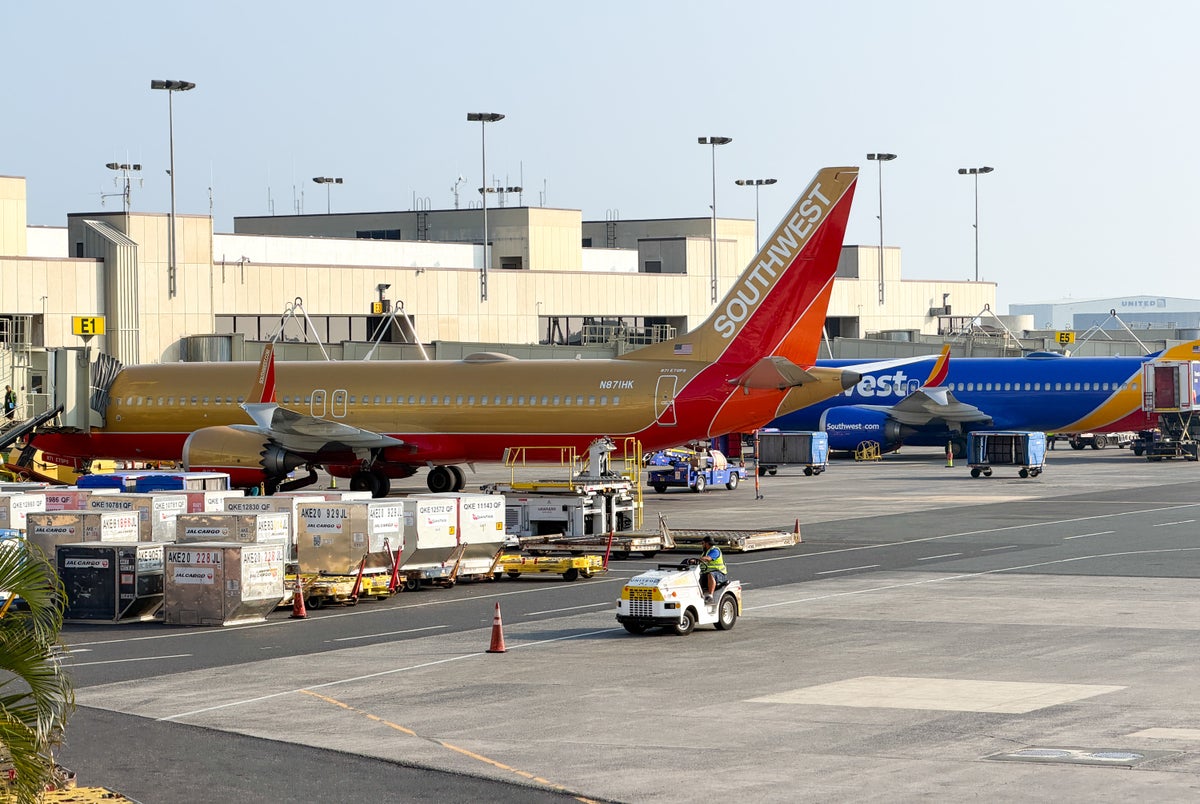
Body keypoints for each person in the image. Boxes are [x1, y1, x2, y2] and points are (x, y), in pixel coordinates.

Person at [698, 535, 727, 603]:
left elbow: (709, 558)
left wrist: (700, 559)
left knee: (710, 574)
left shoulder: (715, 550)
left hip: (719, 574)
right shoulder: (705, 552)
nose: (702, 545)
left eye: (703, 543)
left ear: (707, 543)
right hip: (706, 573)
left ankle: (710, 596)